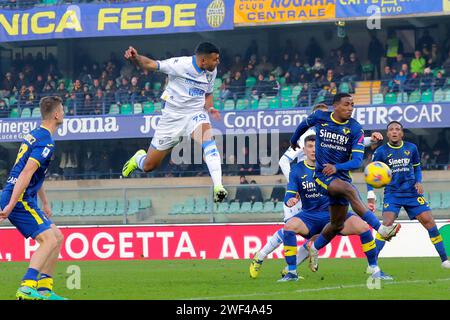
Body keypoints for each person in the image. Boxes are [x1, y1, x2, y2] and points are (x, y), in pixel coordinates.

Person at [250, 104, 384, 276]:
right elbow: (284, 160)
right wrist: (295, 184)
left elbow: (349, 142)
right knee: (289, 230)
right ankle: (261, 256)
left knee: (318, 235)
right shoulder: (305, 137)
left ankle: (291, 268)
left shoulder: (331, 133)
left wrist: (370, 140)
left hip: (322, 188)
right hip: (302, 188)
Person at [289, 93, 400, 273]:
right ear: (335, 106)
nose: (350, 108)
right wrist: (294, 139)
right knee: (348, 190)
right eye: (346, 105)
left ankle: (315, 247)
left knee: (336, 225)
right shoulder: (320, 117)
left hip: (339, 175)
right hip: (321, 176)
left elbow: (357, 161)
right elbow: (303, 125)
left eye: (352, 105)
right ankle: (381, 229)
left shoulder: (355, 129)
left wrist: (337, 166)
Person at [121, 43, 228, 202]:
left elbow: (208, 94)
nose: (218, 62)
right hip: (172, 118)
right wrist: (136, 58)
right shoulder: (179, 65)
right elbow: (150, 64)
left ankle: (219, 187)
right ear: (203, 60)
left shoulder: (211, 71)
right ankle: (138, 159)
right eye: (215, 59)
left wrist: (210, 107)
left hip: (195, 114)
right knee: (149, 166)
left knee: (209, 143)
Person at [278, 135, 390, 281]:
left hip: (335, 215)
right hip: (310, 217)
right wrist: (290, 200)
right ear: (303, 150)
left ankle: (374, 268)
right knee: (289, 227)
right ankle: (292, 272)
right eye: (310, 147)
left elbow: (348, 184)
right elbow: (290, 193)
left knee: (363, 227)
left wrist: (369, 141)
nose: (313, 150)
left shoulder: (330, 166)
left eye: (316, 146)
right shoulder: (297, 170)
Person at [0, 96, 67, 300]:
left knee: (57, 237)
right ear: (55, 114)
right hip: (19, 197)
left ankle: (45, 290)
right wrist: (11, 204)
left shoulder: (34, 135)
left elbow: (36, 174)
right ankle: (26, 288)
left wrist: (44, 201)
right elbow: (27, 172)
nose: (64, 113)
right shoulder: (46, 141)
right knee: (48, 239)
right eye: (62, 110)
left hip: (22, 196)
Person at [367, 121, 450, 269]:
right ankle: (372, 264)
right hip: (393, 194)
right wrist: (370, 194)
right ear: (387, 134)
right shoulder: (381, 152)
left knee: (429, 221)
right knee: (386, 226)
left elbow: (417, 168)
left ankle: (444, 260)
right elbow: (369, 174)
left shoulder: (411, 148)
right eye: (391, 129)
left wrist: (418, 181)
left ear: (402, 133)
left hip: (412, 193)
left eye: (397, 129)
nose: (394, 131)